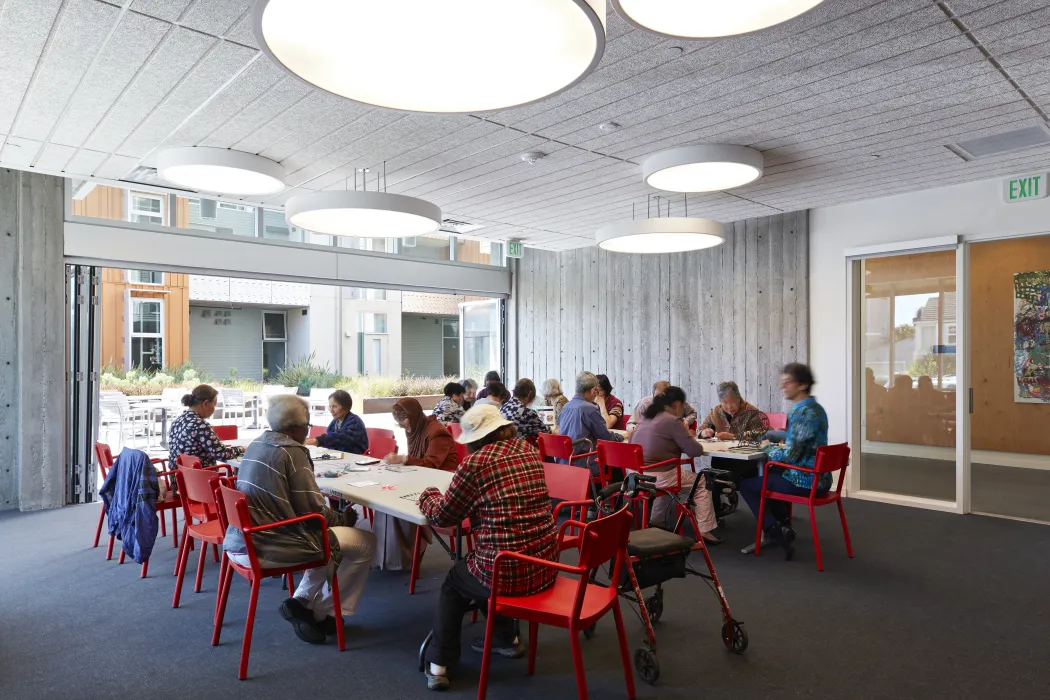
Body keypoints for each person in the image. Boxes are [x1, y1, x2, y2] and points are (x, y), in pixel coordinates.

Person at [417, 405, 558, 691]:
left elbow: (444, 515)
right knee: (484, 564)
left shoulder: (476, 463)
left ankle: (439, 665)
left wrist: (428, 495)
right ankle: (507, 639)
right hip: (546, 563)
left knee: (457, 581)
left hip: (505, 571)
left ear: (474, 438)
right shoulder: (528, 450)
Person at [224, 395, 376, 643]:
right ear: (297, 426)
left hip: (240, 539)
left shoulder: (256, 444)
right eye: (307, 424)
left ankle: (303, 604)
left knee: (330, 540)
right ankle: (322, 611)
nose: (308, 429)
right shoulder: (292, 452)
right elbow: (314, 513)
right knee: (364, 541)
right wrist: (344, 518)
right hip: (269, 545)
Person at [738, 363, 829, 560]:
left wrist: (765, 445)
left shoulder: (801, 412)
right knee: (771, 476)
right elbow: (801, 437)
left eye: (787, 382)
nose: (782, 386)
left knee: (746, 484)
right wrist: (774, 434)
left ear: (802, 385)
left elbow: (790, 457)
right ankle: (784, 525)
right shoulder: (816, 408)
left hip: (806, 481)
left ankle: (774, 531)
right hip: (820, 476)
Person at [374, 398, 458, 570]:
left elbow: (431, 463)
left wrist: (404, 459)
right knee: (387, 501)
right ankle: (392, 556)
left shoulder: (436, 432)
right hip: (423, 478)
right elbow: (418, 460)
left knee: (399, 501)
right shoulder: (414, 428)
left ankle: (407, 552)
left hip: (442, 483)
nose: (403, 426)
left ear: (413, 416)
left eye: (404, 421)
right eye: (400, 422)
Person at [629, 386, 720, 543]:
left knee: (670, 475)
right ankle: (705, 530)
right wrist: (687, 437)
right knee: (702, 481)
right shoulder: (672, 420)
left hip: (635, 475)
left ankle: (657, 522)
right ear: (678, 404)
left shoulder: (646, 417)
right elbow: (695, 451)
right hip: (658, 477)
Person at [558, 372, 623, 475]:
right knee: (618, 466)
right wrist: (620, 437)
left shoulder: (566, 407)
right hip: (584, 463)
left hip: (564, 462)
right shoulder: (589, 408)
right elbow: (605, 436)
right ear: (593, 390)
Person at [167, 384, 244, 471]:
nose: (214, 409)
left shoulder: (177, 421)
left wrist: (215, 446)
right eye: (214, 405)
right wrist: (242, 449)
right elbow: (222, 454)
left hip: (179, 479)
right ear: (206, 404)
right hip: (200, 480)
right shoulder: (200, 425)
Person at [304, 390, 368, 454]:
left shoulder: (355, 422)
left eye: (334, 406)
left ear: (345, 406)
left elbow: (340, 437)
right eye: (330, 406)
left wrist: (317, 440)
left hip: (355, 458)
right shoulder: (335, 422)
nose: (331, 410)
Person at [698, 381, 767, 440]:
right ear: (720, 401)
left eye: (733, 402)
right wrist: (703, 433)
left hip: (744, 452)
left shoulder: (751, 411)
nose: (729, 406)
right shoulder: (716, 412)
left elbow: (762, 434)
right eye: (725, 403)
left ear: (739, 398)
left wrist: (733, 436)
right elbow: (699, 430)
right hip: (721, 452)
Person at [629, 380, 697, 429]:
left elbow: (693, 413)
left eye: (664, 398)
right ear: (653, 395)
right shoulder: (644, 404)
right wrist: (636, 429)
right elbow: (631, 424)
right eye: (657, 398)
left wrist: (686, 421)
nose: (660, 401)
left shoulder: (677, 404)